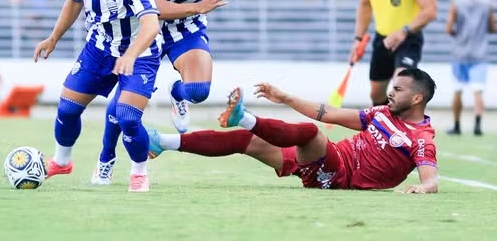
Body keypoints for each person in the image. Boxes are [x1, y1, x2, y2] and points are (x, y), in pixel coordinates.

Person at [90, 0, 254, 186]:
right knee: (125, 106)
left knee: (199, 90)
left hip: (186, 30)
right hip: (148, 30)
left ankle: (177, 93)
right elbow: (155, 7)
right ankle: (105, 158)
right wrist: (200, 6)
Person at [148, 68, 439, 193]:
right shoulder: (381, 113)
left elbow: (431, 181)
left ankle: (245, 117)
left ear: (417, 98)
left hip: (341, 176)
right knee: (245, 142)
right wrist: (286, 98)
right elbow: (330, 113)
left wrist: (422, 188)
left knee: (312, 134)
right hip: (329, 161)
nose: (391, 93)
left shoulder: (421, 138)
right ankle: (163, 142)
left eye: (398, 90)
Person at [34, 0, 162, 193]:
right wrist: (53, 37)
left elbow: (151, 25)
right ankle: (62, 161)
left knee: (127, 117)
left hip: (139, 54)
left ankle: (139, 172)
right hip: (99, 49)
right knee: (67, 108)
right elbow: (74, 2)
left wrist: (130, 54)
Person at [445, 0, 495, 136]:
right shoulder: (486, 1)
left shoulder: (457, 1)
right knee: (478, 91)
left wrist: (458, 35)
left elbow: (449, 28)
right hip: (479, 51)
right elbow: (492, 27)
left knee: (458, 90)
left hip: (460, 51)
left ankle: (457, 125)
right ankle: (478, 125)